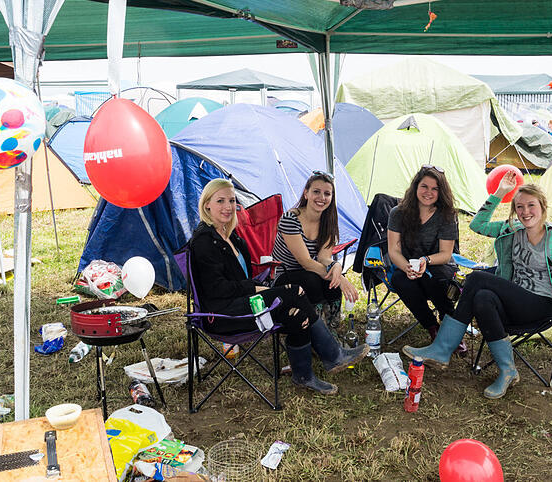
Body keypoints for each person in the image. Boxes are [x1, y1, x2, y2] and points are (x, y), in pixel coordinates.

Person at [403, 173, 552, 399]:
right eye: (519, 207)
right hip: (514, 302)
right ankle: (507, 371)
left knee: (476, 279)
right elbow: (477, 225)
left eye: (531, 205)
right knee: (482, 297)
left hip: (544, 304)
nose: (525, 211)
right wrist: (500, 192)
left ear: (543, 207)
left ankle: (443, 348)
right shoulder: (512, 229)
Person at [189, 179, 368, 395]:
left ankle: (304, 376)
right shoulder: (204, 242)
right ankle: (333, 354)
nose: (228, 206)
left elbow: (241, 280)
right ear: (207, 205)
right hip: (222, 314)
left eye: (232, 200)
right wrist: (259, 289)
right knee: (294, 292)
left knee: (296, 313)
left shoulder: (232, 237)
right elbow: (217, 290)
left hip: (242, 302)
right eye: (220, 201)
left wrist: (259, 289)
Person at [386, 165, 465, 353]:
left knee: (432, 277)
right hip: (409, 266)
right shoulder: (398, 213)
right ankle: (433, 327)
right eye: (424, 186)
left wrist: (425, 261)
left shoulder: (446, 215)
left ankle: (451, 328)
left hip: (439, 265)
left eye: (435, 188)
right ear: (416, 187)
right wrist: (406, 267)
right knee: (399, 279)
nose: (428, 192)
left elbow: (446, 254)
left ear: (441, 192)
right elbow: (393, 250)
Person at [272, 171, 359, 330]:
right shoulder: (290, 219)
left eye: (327, 193)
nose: (322, 197)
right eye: (316, 192)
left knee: (331, 283)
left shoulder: (328, 221)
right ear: (306, 193)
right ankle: (318, 332)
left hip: (309, 272)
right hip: (282, 275)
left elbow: (323, 258)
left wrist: (335, 266)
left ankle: (332, 331)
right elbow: (305, 262)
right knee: (314, 280)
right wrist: (340, 278)